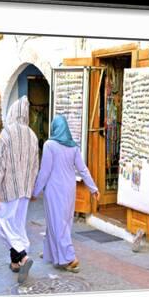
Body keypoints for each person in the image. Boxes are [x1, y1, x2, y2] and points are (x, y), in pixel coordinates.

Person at [32, 115, 100, 273]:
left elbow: (45, 171)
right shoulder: (74, 147)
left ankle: (69, 258)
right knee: (62, 222)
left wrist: (35, 191)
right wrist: (93, 188)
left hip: (54, 190)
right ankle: (50, 253)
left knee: (57, 223)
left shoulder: (50, 145)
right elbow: (82, 169)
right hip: (69, 189)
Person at [0, 96, 40, 284]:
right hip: (25, 189)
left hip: (9, 188)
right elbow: (35, 165)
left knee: (5, 225)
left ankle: (24, 257)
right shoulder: (33, 135)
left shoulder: (7, 133)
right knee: (17, 225)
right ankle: (16, 262)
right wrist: (32, 188)